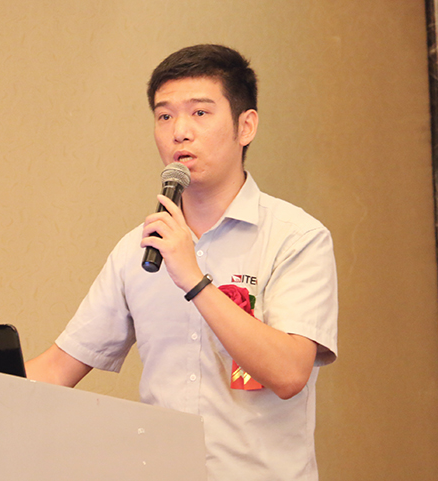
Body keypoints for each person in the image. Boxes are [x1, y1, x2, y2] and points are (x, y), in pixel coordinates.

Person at [26, 44, 338, 480]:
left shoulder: (295, 237)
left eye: (200, 113)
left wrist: (193, 277)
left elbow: (288, 373)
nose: (179, 132)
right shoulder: (137, 250)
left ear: (246, 126)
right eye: (164, 116)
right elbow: (57, 368)